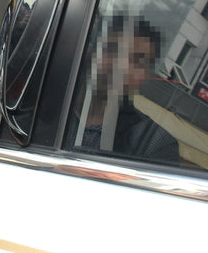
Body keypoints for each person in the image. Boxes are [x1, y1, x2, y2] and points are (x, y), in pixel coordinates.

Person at [69, 13, 180, 165]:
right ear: (91, 53)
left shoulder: (152, 142)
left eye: (138, 61)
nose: (121, 67)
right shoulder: (45, 99)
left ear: (146, 76)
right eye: (113, 49)